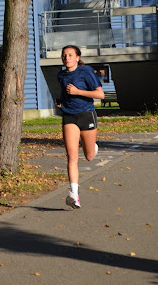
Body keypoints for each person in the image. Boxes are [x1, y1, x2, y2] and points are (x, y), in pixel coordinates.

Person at [56, 45, 104, 209]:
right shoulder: (61, 75)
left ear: (77, 57)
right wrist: (61, 102)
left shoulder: (85, 71)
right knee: (72, 157)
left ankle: (92, 146)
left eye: (70, 55)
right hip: (69, 116)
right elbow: (64, 93)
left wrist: (78, 92)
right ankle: (74, 195)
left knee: (89, 156)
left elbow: (100, 94)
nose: (66, 58)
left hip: (86, 114)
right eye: (64, 55)